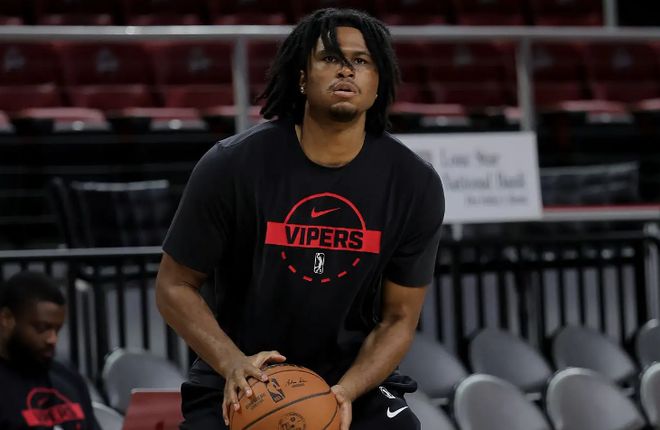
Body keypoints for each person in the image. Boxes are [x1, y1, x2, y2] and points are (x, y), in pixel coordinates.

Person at [156, 7, 445, 430]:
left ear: (378, 83)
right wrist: (231, 362)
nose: (346, 70)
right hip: (244, 373)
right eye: (330, 58)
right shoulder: (232, 165)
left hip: (350, 376)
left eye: (361, 61)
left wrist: (346, 390)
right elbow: (174, 285)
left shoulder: (414, 183)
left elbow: (399, 318)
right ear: (302, 77)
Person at [0, 271, 100, 430]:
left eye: (57, 330)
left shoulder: (67, 375)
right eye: (42, 328)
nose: (53, 339)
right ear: (6, 319)